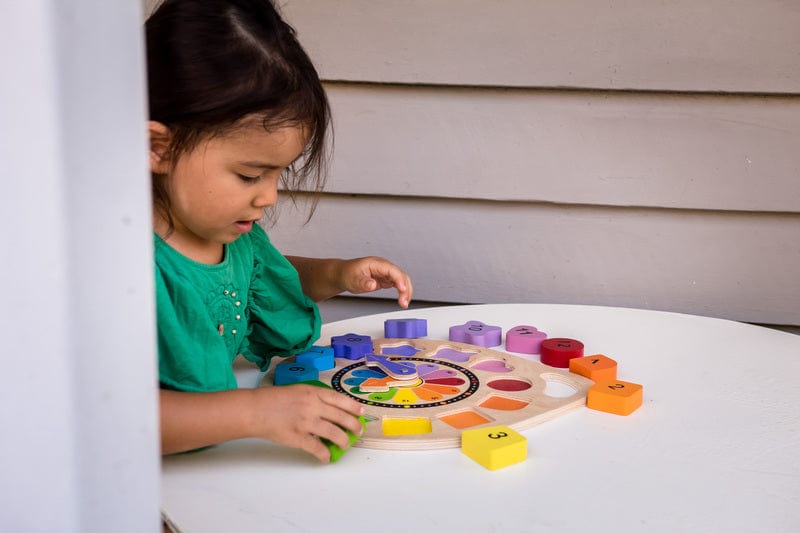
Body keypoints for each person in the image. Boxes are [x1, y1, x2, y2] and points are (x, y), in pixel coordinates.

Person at [146, 0, 413, 462]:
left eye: (279, 174)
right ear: (159, 148)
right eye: (250, 175)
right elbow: (108, 418)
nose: (269, 196)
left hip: (212, 471)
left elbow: (260, 280)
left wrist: (337, 274)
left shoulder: (231, 236)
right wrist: (256, 413)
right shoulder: (121, 269)